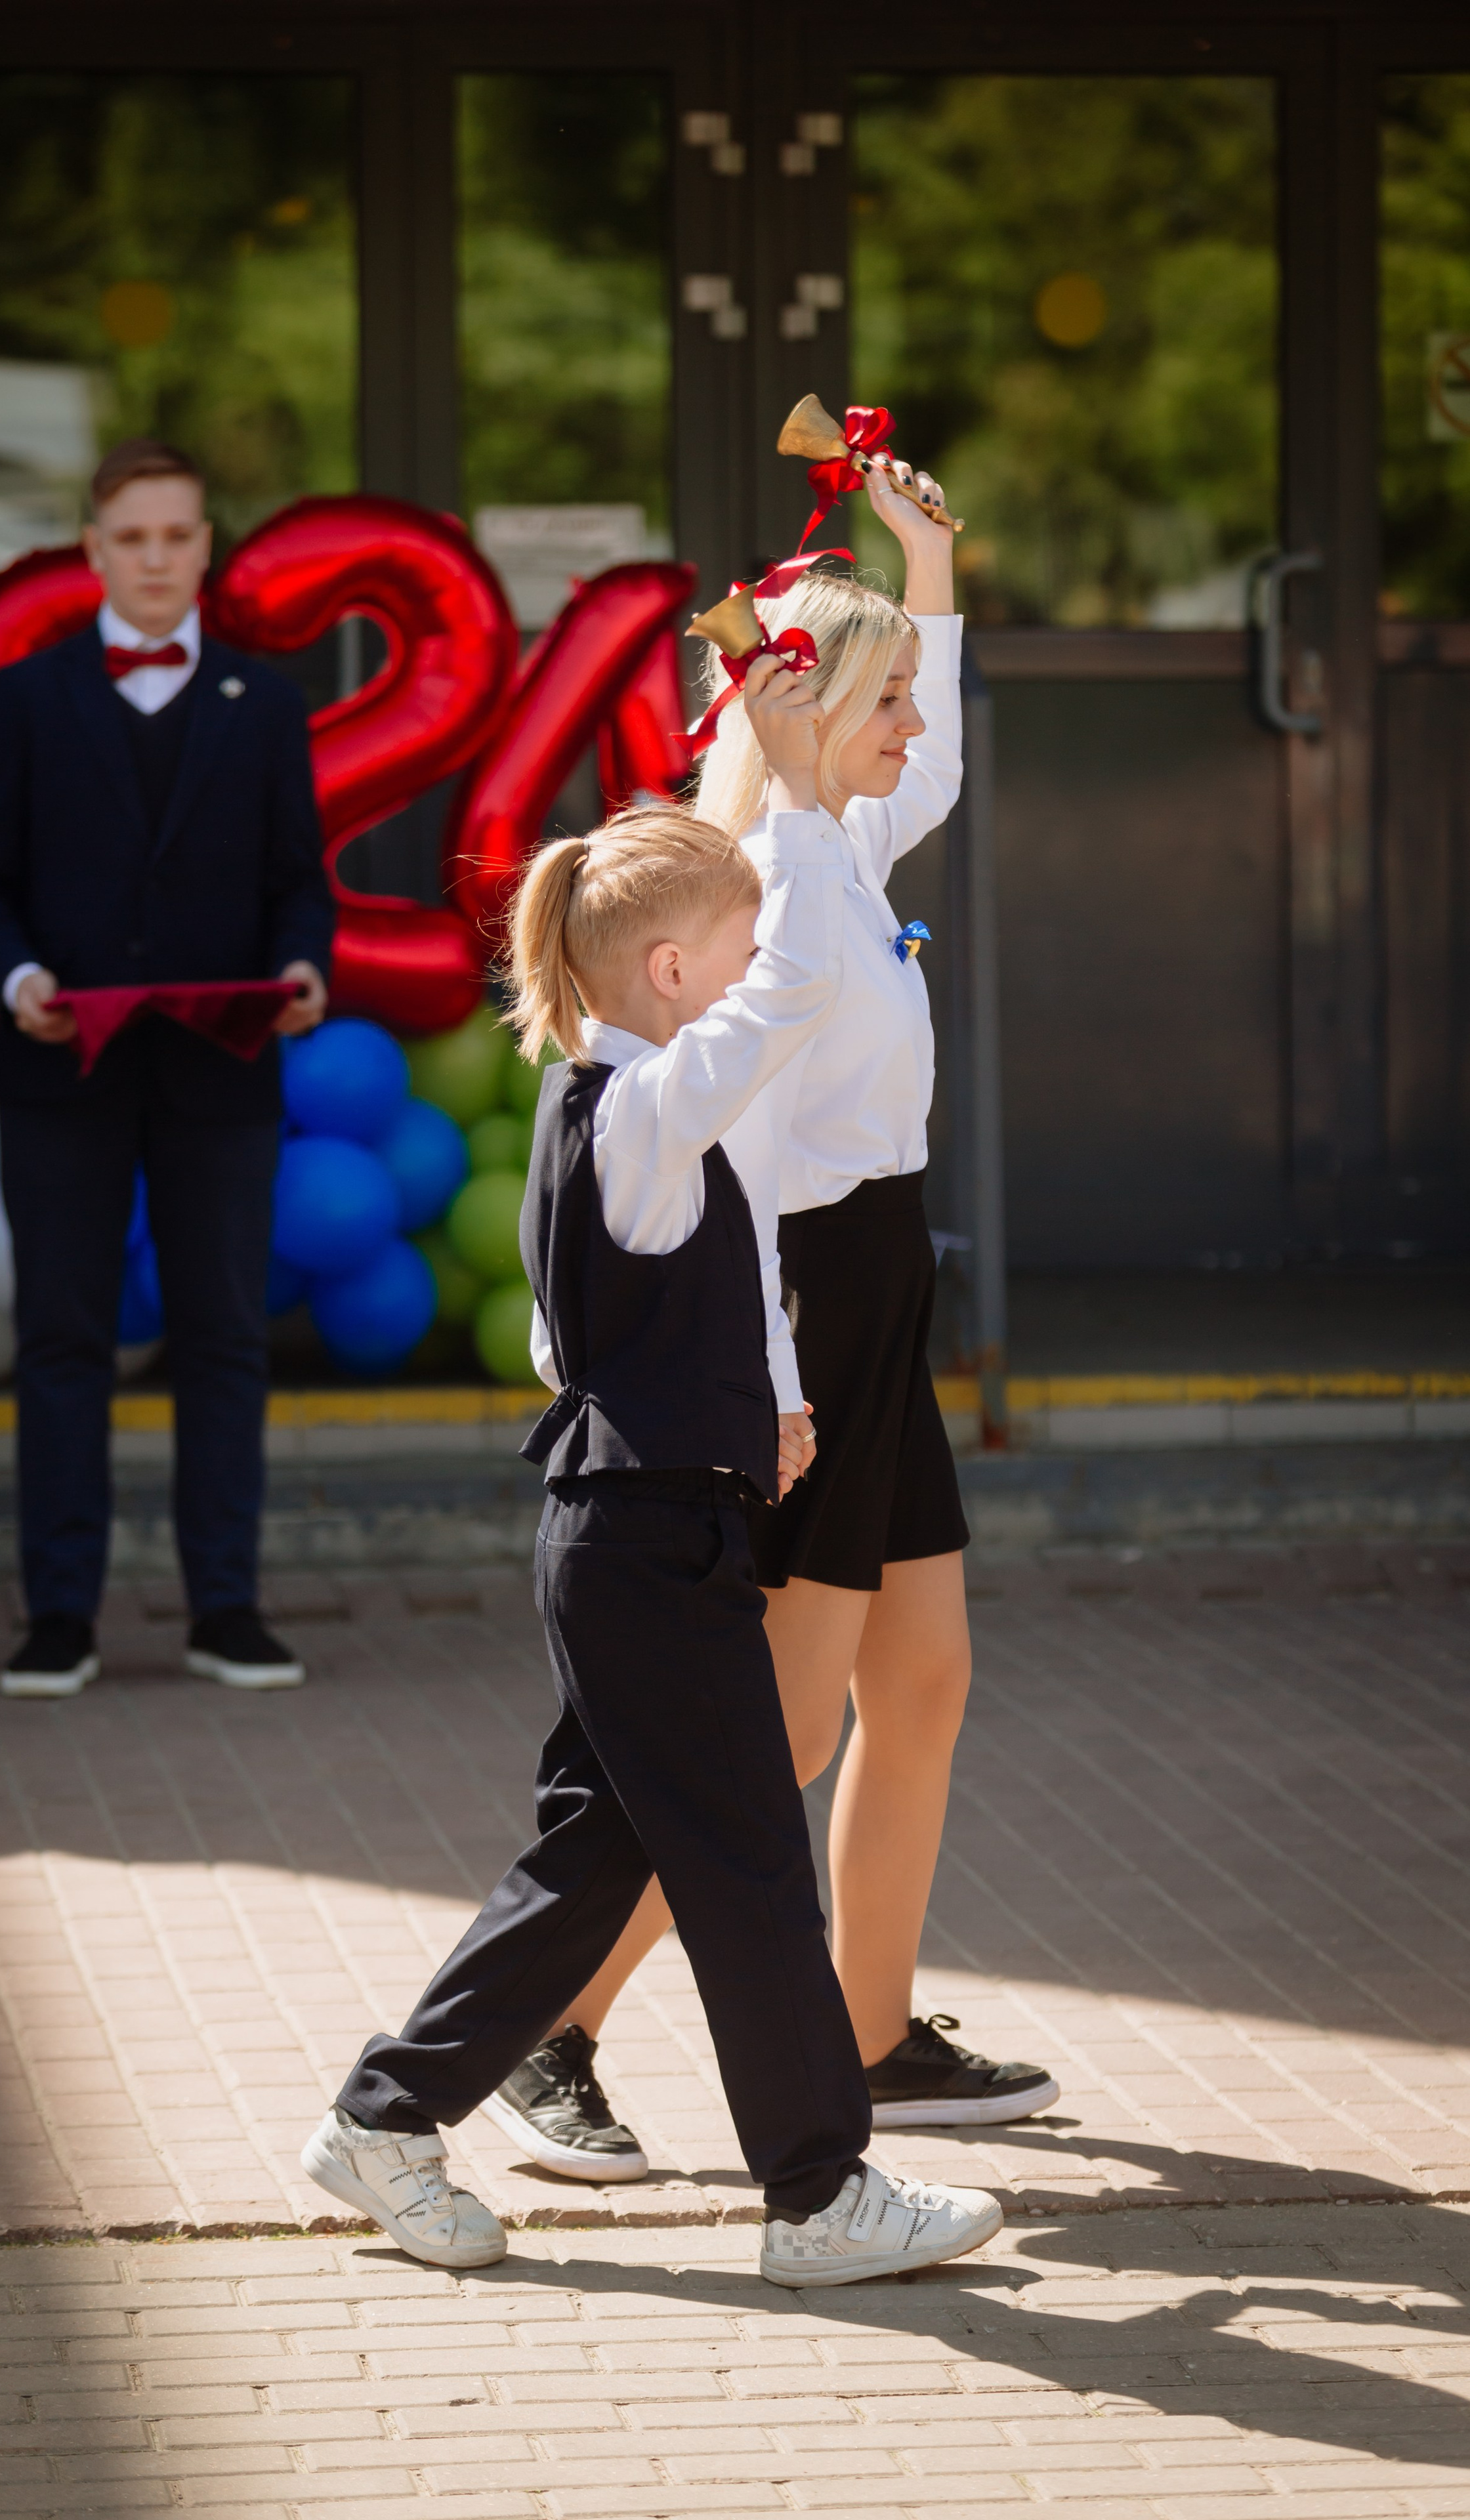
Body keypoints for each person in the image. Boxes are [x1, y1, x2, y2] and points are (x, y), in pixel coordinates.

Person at [301, 795, 1002, 2286]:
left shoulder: (606, 1114)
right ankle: (818, 2195)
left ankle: (386, 2116)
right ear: (673, 975)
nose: (764, 971)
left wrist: (761, 1415)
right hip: (642, 1548)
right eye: (737, 946)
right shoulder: (640, 1104)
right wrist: (803, 791)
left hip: (635, 1530)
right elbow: (801, 992)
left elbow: (586, 1343)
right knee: (748, 1861)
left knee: (599, 1861)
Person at [485, 466, 1058, 2183]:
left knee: (927, 1683)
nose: (910, 725)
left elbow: (933, 762)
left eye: (904, 690)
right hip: (801, 1306)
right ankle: (552, 2035)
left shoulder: (841, 841)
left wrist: (933, 561)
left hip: (886, 1286)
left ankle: (875, 2034)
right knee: (784, 1732)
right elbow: (713, 1162)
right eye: (878, 695)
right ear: (805, 709)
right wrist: (782, 1383)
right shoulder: (751, 889)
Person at [0, 437, 334, 1701]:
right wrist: (20, 985)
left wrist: (306, 970)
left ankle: (227, 1609)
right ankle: (59, 1616)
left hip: (220, 1076)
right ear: (94, 551)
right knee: (63, 1340)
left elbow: (297, 886)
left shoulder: (267, 705)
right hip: (62, 1075)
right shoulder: (27, 696)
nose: (157, 559)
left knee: (225, 1339)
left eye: (178, 536)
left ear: (206, 547)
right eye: (133, 539)